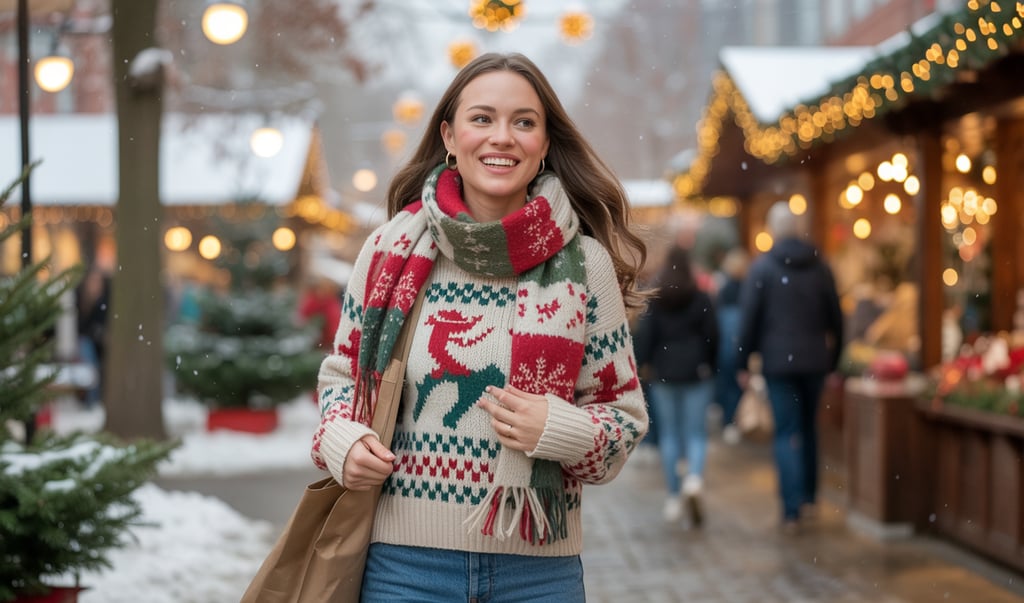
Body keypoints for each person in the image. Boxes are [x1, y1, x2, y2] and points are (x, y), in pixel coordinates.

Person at [311, 52, 649, 602]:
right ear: (449, 134)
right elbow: (341, 380)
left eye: (524, 122)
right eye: (482, 118)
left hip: (539, 575)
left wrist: (558, 428)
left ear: (543, 144)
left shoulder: (584, 265)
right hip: (404, 569)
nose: (503, 138)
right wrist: (340, 440)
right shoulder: (388, 251)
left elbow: (623, 423)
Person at [736, 201, 844, 534]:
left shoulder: (763, 268)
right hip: (814, 361)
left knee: (786, 431)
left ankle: (791, 508)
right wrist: (834, 359)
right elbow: (836, 318)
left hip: (778, 362)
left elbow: (748, 319)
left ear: (772, 231)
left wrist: (742, 361)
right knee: (809, 427)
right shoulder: (820, 265)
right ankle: (809, 497)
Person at [634, 244, 718, 527]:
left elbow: (646, 336)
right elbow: (713, 336)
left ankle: (672, 496)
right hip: (696, 372)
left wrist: (644, 365)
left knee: (669, 435)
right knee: (695, 433)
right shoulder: (701, 297)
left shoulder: (658, 299)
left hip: (664, 373)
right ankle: (693, 477)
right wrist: (710, 364)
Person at [713, 247, 749, 445]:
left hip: (725, 344)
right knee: (739, 384)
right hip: (740, 344)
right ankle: (736, 420)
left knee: (726, 382)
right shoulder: (748, 288)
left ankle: (728, 420)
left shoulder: (723, 288)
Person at [75, 266, 110, 407]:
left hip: (100, 342)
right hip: (87, 340)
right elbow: (82, 325)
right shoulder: (81, 299)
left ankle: (98, 397)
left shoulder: (105, 299)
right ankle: (91, 399)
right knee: (90, 365)